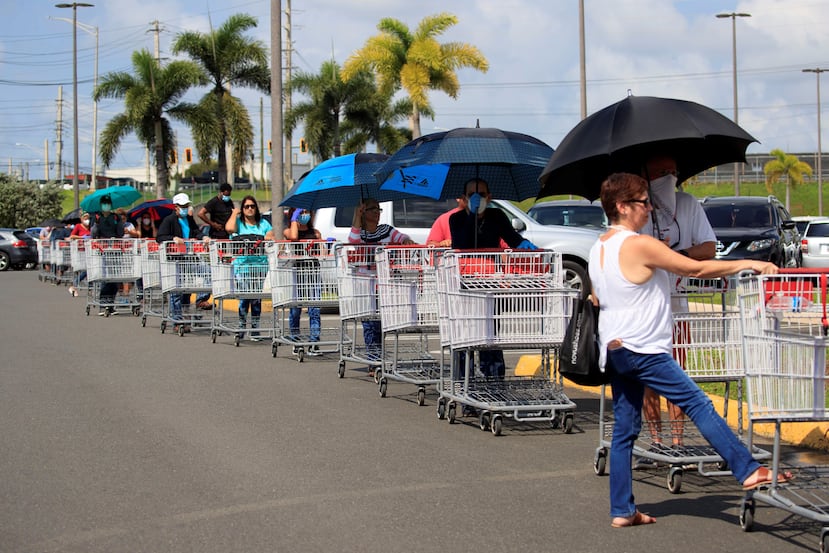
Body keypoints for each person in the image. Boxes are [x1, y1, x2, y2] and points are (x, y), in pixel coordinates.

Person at [588, 172, 790, 528]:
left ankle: (622, 510)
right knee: (697, 402)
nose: (649, 208)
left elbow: (598, 296)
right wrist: (750, 262)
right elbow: (696, 267)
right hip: (643, 348)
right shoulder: (636, 243)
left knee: (624, 431)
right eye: (642, 202)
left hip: (615, 348)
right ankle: (746, 469)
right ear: (621, 206)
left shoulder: (599, 246)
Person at [637, 155, 717, 460]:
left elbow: (708, 248)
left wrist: (678, 256)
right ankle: (656, 440)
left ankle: (678, 442)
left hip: (678, 307)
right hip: (646, 310)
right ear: (645, 174)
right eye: (661, 172)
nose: (668, 176)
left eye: (673, 171)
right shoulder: (636, 211)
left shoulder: (688, 204)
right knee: (649, 380)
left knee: (678, 376)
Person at [448, 178, 537, 380]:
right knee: (466, 336)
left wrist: (524, 244)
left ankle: (494, 383)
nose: (477, 198)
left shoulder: (496, 215)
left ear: (489, 197)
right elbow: (463, 242)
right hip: (465, 282)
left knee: (490, 334)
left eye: (481, 194)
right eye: (472, 195)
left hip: (490, 282)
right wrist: (472, 214)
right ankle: (465, 386)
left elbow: (512, 238)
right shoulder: (457, 219)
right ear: (464, 198)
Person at [348, 198, 414, 369]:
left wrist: (406, 240)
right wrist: (357, 214)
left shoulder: (386, 230)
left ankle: (378, 356)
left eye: (379, 210)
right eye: (372, 210)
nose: (377, 213)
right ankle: (373, 359)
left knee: (380, 322)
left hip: (383, 283)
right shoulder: (360, 233)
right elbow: (353, 240)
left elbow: (400, 237)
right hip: (365, 284)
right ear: (364, 212)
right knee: (369, 322)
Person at [156, 193, 210, 334]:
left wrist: (203, 237)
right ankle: (178, 321)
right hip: (175, 259)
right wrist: (173, 238)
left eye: (187, 206)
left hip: (189, 257)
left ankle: (201, 299)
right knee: (176, 291)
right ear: (176, 207)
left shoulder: (189, 219)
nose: (185, 209)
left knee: (207, 272)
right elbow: (160, 237)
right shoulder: (169, 220)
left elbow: (195, 232)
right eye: (182, 206)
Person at [225, 195, 275, 341]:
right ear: (242, 209)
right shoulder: (239, 224)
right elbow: (229, 228)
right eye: (246, 206)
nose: (250, 209)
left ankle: (255, 329)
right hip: (242, 266)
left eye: (252, 206)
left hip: (259, 265)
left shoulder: (263, 224)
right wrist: (234, 213)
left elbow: (270, 235)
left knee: (256, 299)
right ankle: (241, 326)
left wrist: (267, 237)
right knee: (245, 297)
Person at [283, 207, 322, 356]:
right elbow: (293, 237)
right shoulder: (289, 231)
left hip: (313, 271)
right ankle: (295, 339)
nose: (304, 215)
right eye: (301, 212)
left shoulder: (316, 233)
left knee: (315, 308)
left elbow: (322, 251)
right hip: (297, 272)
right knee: (295, 308)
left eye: (307, 212)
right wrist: (294, 219)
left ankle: (314, 341)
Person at [195, 184, 234, 309]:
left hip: (227, 239)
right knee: (212, 269)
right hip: (215, 239)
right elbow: (201, 213)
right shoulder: (213, 202)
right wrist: (212, 224)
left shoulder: (229, 203)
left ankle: (219, 293)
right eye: (226, 194)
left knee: (223, 270)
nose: (227, 196)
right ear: (221, 192)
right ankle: (202, 298)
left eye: (229, 194)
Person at [90, 195, 124, 315]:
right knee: (104, 278)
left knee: (114, 279)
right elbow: (93, 234)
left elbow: (121, 233)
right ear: (101, 205)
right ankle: (103, 304)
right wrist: (97, 224)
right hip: (102, 250)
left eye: (108, 203)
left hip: (115, 250)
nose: (106, 205)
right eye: (104, 203)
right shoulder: (96, 217)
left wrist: (119, 226)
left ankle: (111, 304)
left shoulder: (116, 217)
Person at [67, 212, 91, 297]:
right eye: (85, 218)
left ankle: (90, 289)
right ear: (81, 219)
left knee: (91, 269)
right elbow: (72, 236)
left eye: (88, 218)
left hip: (90, 251)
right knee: (87, 269)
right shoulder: (78, 226)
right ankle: (74, 285)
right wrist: (82, 237)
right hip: (81, 251)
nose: (87, 220)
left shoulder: (91, 227)